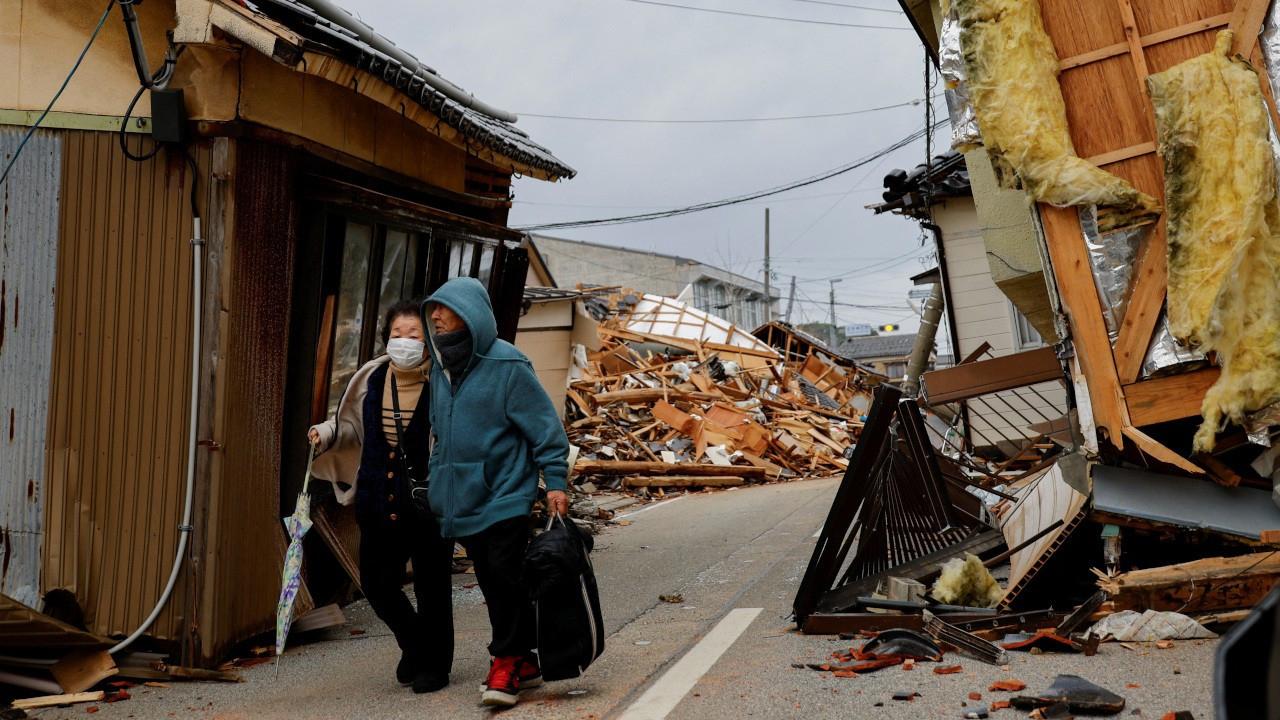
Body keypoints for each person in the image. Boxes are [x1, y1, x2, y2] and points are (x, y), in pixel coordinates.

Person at [421, 277, 570, 708]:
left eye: (445, 309)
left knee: (503, 577)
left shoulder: (508, 365)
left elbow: (546, 430)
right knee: (494, 580)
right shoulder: (440, 368)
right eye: (434, 309)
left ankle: (504, 662)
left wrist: (555, 483)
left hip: (505, 491)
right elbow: (438, 434)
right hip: (459, 497)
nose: (435, 316)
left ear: (470, 314)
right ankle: (524, 660)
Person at [307, 300, 455, 694]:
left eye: (414, 335)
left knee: (432, 586)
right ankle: (414, 643)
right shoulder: (371, 378)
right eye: (396, 334)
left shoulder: (444, 382)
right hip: (377, 497)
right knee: (376, 581)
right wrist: (326, 432)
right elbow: (352, 426)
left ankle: (434, 666)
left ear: (429, 341)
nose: (404, 342)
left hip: (429, 502)